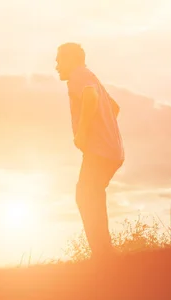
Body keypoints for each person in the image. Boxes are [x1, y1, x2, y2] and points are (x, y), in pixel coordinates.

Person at [56, 42, 125, 260]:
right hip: (112, 151)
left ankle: (103, 254)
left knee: (85, 195)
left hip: (100, 150)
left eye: (59, 61)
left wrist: (84, 132)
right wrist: (104, 127)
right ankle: (105, 252)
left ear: (71, 59)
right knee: (91, 195)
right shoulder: (91, 77)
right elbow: (114, 107)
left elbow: (90, 96)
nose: (56, 66)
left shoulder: (79, 75)